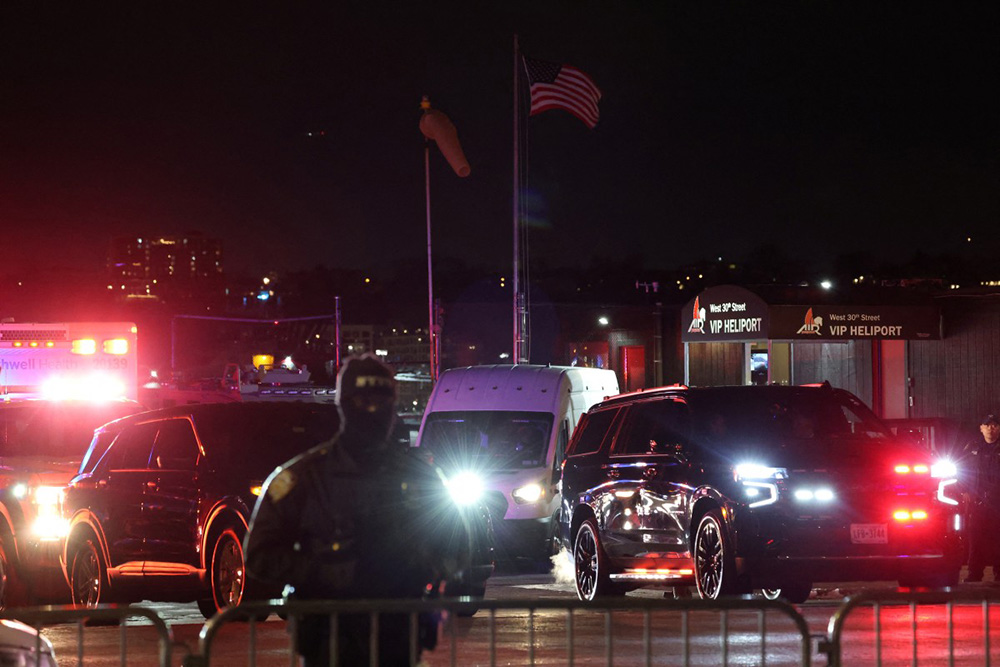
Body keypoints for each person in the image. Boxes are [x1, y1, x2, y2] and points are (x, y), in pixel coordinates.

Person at [244, 353, 468, 665]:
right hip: (330, 637)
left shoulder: (419, 475)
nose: (374, 413)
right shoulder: (305, 478)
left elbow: (458, 544)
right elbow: (258, 554)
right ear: (344, 405)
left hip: (396, 635)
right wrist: (323, 571)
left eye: (382, 402)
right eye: (364, 402)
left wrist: (419, 570)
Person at [963, 413, 1000, 583]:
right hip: (977, 502)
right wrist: (964, 491)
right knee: (975, 538)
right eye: (987, 425)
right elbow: (961, 470)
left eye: (994, 425)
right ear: (981, 428)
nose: (990, 429)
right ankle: (974, 573)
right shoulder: (972, 448)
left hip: (997, 502)